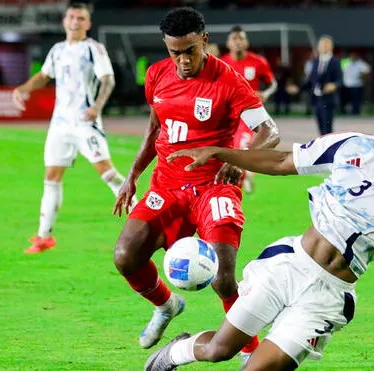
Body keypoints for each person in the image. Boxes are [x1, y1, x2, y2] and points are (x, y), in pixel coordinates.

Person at [147, 103, 374, 371]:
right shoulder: (349, 145)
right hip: (288, 266)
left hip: (328, 295)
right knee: (218, 349)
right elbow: (282, 162)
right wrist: (220, 152)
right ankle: (173, 353)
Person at [111, 7, 280, 365]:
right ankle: (167, 305)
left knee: (223, 279)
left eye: (190, 50)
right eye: (175, 52)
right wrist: (133, 176)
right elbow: (155, 129)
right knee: (126, 257)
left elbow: (269, 132)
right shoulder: (157, 75)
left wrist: (239, 159)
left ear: (205, 40)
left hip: (214, 185)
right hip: (168, 185)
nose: (183, 60)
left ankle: (249, 355)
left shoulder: (230, 81)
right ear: (166, 47)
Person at [12, 3, 134, 253]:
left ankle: (144, 215)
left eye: (80, 18)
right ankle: (44, 236)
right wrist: (22, 89)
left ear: (88, 24)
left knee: (107, 173)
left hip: (85, 123)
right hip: (60, 125)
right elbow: (44, 76)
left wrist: (96, 108)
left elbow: (107, 80)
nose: (75, 21)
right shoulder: (57, 50)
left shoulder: (93, 49)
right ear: (64, 20)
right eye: (71, 17)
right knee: (51, 177)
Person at [221, 25, 278, 193]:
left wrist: (266, 93)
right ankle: (244, 176)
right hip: (227, 115)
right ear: (228, 43)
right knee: (229, 149)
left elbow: (272, 84)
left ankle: (239, 179)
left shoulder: (258, 62)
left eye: (241, 38)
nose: (238, 42)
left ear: (246, 42)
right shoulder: (221, 63)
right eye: (234, 39)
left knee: (242, 147)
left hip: (249, 113)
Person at [289, 35, 342, 135]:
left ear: (331, 47)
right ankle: (322, 148)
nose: (324, 47)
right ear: (318, 47)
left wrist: (334, 85)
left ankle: (328, 148)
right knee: (320, 127)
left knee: (327, 128)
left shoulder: (335, 62)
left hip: (328, 99)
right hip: (316, 99)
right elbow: (310, 81)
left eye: (327, 44)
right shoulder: (315, 62)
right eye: (322, 44)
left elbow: (339, 80)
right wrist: (298, 88)